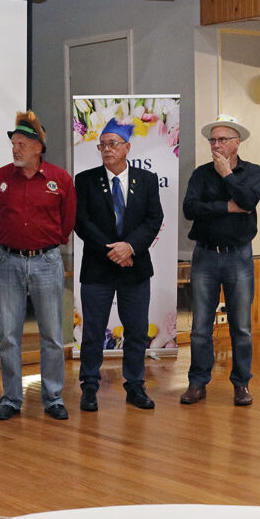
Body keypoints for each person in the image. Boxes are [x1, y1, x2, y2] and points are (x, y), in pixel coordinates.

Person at [0, 110, 76, 421]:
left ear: (39, 147)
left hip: (47, 262)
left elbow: (67, 222)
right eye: (14, 143)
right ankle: (11, 398)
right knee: (8, 336)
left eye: (22, 143)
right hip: (7, 261)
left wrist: (46, 245)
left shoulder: (60, 179)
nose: (16, 149)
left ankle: (52, 397)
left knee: (51, 334)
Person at [74, 119, 163, 412]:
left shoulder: (147, 180)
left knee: (136, 330)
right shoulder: (85, 180)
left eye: (113, 144)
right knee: (93, 331)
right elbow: (82, 222)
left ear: (127, 147)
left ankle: (135, 385)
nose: (107, 150)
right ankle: (89, 386)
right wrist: (111, 250)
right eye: (102, 145)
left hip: (134, 268)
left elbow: (153, 219)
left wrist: (130, 248)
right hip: (98, 268)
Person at [181, 114, 260, 406]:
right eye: (212, 139)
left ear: (236, 142)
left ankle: (241, 384)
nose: (215, 144)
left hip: (238, 257)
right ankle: (197, 382)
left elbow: (249, 202)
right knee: (200, 326)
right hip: (205, 256)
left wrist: (228, 175)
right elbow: (190, 209)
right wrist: (226, 207)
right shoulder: (201, 174)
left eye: (221, 139)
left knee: (240, 326)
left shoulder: (253, 172)